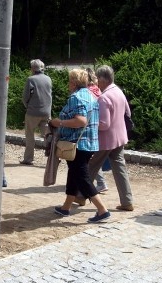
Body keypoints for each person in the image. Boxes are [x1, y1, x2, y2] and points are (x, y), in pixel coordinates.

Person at [48, 68, 110, 223]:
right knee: (74, 173)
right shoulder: (91, 95)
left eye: (70, 80)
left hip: (77, 143)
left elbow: (81, 121)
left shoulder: (76, 97)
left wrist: (59, 122)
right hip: (89, 143)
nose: (68, 84)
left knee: (82, 177)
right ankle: (66, 207)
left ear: (74, 82)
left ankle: (102, 210)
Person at [90, 64, 135, 211]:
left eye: (97, 78)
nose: (96, 81)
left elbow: (104, 124)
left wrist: (90, 124)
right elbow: (127, 113)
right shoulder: (118, 91)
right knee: (120, 168)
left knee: (91, 167)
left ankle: (79, 195)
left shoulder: (104, 97)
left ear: (103, 80)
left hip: (106, 140)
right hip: (120, 137)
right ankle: (127, 201)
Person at [21, 59, 52, 165]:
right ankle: (52, 158)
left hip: (32, 112)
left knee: (30, 135)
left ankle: (28, 159)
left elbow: (25, 97)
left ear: (33, 68)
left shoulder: (31, 79)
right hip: (46, 112)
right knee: (48, 135)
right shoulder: (48, 79)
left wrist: (27, 106)